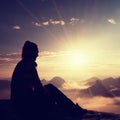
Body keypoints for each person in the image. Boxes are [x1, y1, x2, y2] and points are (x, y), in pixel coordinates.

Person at [11, 41, 87, 120]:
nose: (37, 55)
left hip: (19, 103)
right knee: (50, 88)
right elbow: (38, 87)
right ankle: (73, 109)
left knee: (48, 88)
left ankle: (71, 108)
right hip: (24, 105)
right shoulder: (28, 65)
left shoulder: (22, 64)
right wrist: (50, 98)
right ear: (31, 52)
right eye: (36, 52)